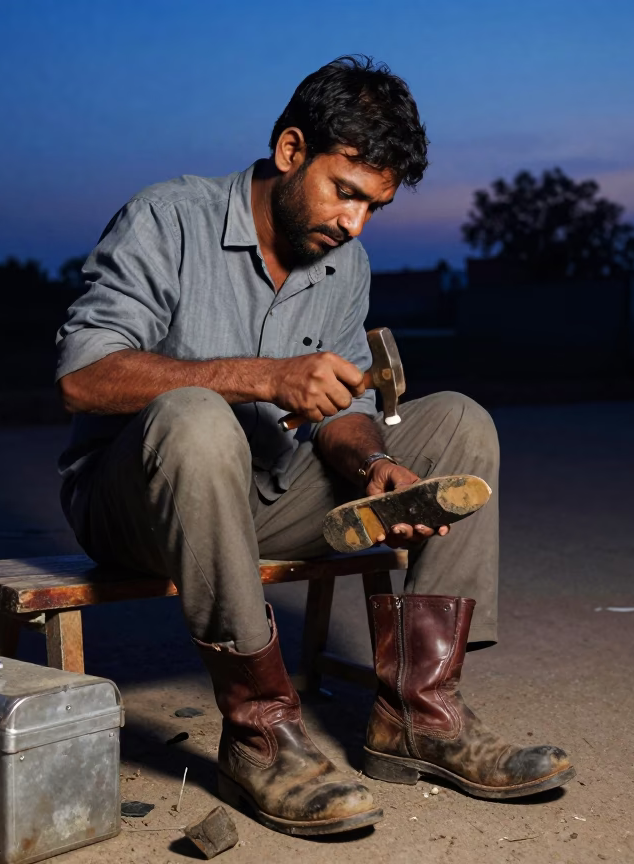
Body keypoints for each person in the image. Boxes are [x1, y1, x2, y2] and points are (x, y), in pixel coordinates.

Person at [55, 55, 574, 837]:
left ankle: (418, 716)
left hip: (261, 496)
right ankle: (261, 730)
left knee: (461, 421)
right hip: (140, 503)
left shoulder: (344, 263)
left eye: (375, 208)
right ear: (291, 150)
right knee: (198, 416)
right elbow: (82, 376)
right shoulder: (169, 218)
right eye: (346, 193)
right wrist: (265, 378)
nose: (355, 224)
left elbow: (340, 409)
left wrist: (372, 463)